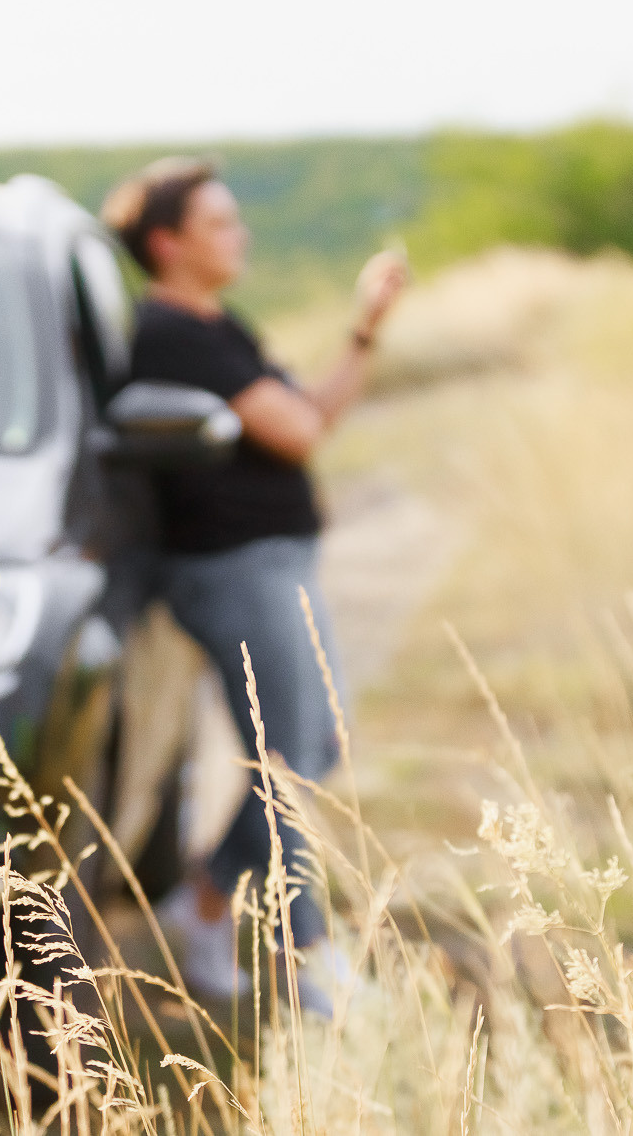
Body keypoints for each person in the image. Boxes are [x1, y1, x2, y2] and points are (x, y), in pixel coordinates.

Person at [100, 156, 407, 1013]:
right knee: (286, 763)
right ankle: (306, 955)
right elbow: (300, 429)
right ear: (168, 243)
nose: (240, 235)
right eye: (220, 223)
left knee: (317, 745)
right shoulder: (172, 335)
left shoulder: (217, 325)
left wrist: (366, 327)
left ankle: (204, 899)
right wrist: (352, 347)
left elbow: (309, 410)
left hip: (276, 560)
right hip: (229, 567)